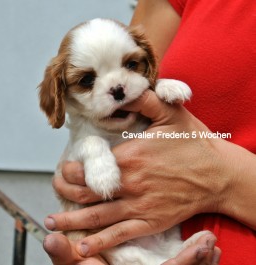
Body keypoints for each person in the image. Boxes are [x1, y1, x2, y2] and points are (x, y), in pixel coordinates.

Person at [43, 0, 256, 264]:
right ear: (58, 93)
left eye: (130, 65)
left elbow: (148, 84)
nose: (118, 87)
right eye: (87, 81)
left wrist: (221, 177)